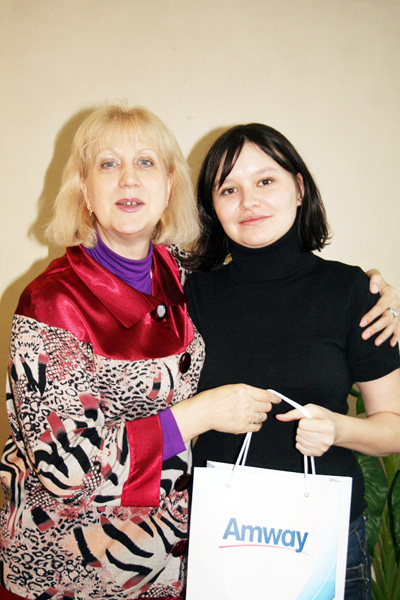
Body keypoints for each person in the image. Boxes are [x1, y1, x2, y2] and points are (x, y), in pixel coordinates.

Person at [0, 106, 281, 600]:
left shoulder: (180, 270)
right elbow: (68, 469)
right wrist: (197, 415)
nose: (128, 178)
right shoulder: (50, 303)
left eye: (146, 162)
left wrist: (370, 291)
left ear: (169, 186)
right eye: (108, 164)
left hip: (169, 560)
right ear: (84, 189)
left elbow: (268, 275)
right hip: (73, 566)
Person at [184, 123, 400, 600]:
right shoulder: (190, 294)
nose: (248, 201)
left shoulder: (351, 292)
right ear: (212, 206)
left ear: (299, 188)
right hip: (222, 536)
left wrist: (339, 429)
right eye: (228, 189)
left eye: (266, 181)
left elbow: (394, 427)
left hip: (323, 545)